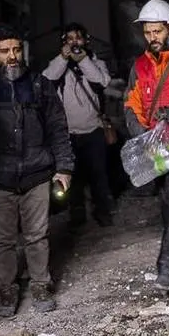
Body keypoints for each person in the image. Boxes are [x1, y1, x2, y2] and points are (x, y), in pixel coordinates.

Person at [0, 24, 74, 317]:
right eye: (5, 51)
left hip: (36, 174)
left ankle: (40, 285)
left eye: (17, 50)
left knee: (37, 235)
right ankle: (7, 291)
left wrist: (64, 167)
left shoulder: (39, 84)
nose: (12, 56)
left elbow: (58, 126)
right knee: (3, 240)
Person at [124, 0, 169, 293]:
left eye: (157, 31)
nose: (152, 37)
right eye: (147, 32)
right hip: (158, 150)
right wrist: (142, 136)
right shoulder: (139, 66)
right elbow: (131, 104)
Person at [42, 22, 115, 228]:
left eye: (78, 38)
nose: (75, 42)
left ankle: (103, 212)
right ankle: (77, 215)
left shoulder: (96, 62)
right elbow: (46, 80)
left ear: (86, 41)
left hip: (93, 130)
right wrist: (63, 58)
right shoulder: (58, 64)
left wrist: (82, 59)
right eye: (70, 39)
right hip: (68, 133)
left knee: (98, 175)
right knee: (73, 178)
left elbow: (101, 81)